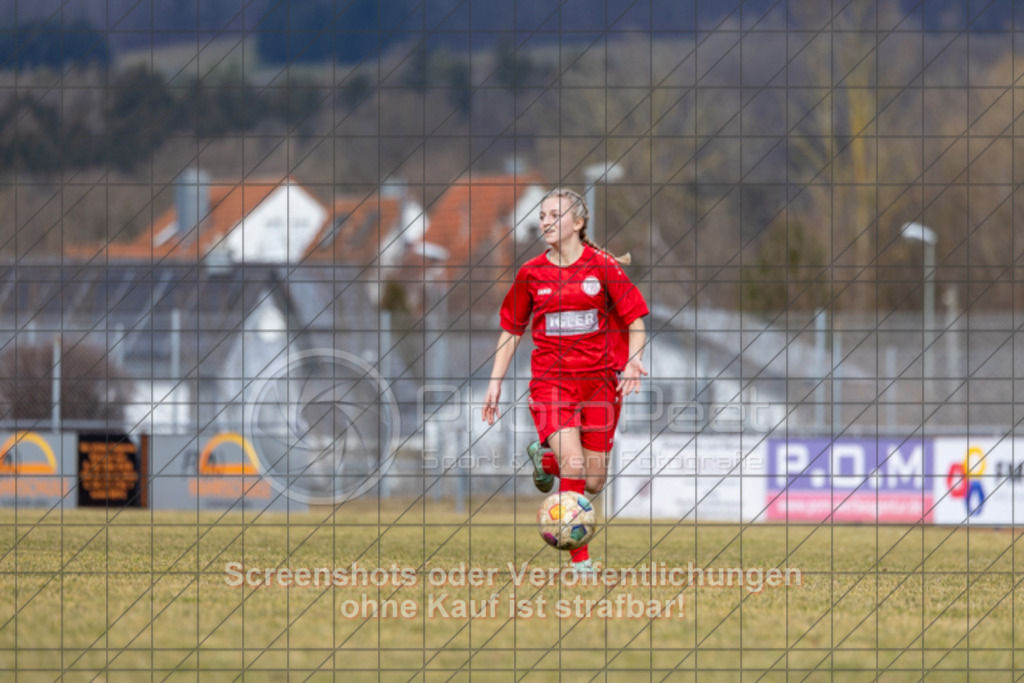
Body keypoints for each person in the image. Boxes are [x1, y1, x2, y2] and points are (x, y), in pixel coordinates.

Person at [481, 187, 649, 574]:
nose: (546, 222)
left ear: (578, 222)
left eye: (555, 215)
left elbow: (636, 321)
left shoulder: (602, 267)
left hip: (600, 386)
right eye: (542, 216)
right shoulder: (531, 273)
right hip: (551, 384)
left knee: (594, 481)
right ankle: (579, 561)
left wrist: (634, 359)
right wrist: (495, 381)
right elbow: (511, 330)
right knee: (573, 464)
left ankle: (544, 460)